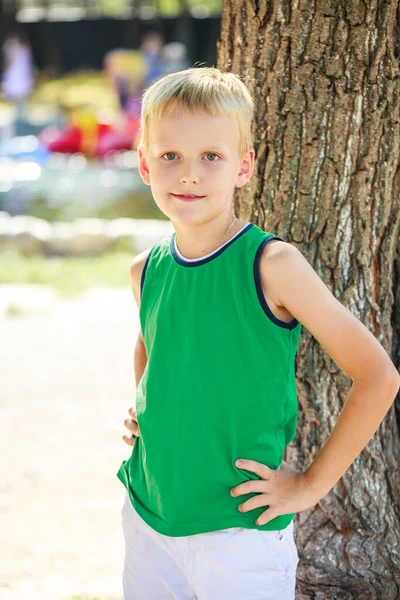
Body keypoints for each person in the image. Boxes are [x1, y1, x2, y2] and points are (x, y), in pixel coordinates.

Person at [117, 67, 400, 599]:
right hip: (149, 513)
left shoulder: (271, 265)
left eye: (212, 156)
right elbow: (151, 343)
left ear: (244, 166)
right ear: (144, 164)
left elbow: (377, 375)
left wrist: (310, 486)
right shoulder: (146, 269)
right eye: (170, 155)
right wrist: (146, 407)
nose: (189, 175)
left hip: (239, 528)